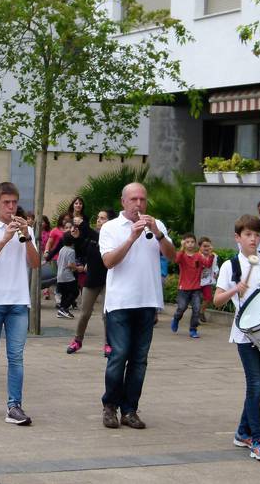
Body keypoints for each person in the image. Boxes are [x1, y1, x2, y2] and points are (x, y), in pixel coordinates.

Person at [99, 182, 175, 430]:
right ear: (123, 202)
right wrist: (132, 236)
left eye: (142, 199)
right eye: (133, 199)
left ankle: (130, 409)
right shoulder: (111, 228)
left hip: (147, 301)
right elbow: (109, 261)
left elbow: (173, 257)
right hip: (120, 302)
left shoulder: (157, 225)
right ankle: (110, 406)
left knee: (139, 359)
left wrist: (158, 233)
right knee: (119, 355)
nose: (138, 204)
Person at [214, 214, 260, 461]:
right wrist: (236, 288)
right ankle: (257, 439)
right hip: (245, 335)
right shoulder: (230, 266)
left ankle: (242, 432)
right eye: (248, 235)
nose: (254, 239)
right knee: (255, 385)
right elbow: (217, 299)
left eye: (257, 234)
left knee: (259, 386)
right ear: (237, 238)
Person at [0, 182, 39, 425]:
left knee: (16, 356)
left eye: (14, 203)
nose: (11, 208)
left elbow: (34, 263)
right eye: (6, 203)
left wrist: (26, 237)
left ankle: (14, 406)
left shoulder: (25, 229)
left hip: (18, 301)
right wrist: (4, 239)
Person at [65, 209, 116, 356]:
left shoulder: (111, 236)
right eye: (98, 218)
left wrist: (84, 226)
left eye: (103, 218)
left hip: (108, 279)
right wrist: (77, 238)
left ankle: (109, 343)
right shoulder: (92, 236)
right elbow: (82, 252)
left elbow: (99, 239)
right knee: (84, 313)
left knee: (107, 314)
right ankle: (77, 340)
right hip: (91, 278)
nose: (99, 220)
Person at [170, 233, 214, 339]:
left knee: (197, 309)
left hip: (196, 289)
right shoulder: (182, 255)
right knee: (181, 308)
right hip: (183, 288)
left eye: (192, 242)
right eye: (187, 242)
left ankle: (193, 329)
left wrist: (211, 253)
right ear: (184, 243)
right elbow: (176, 260)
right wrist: (181, 248)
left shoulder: (198, 256)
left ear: (195, 244)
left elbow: (207, 264)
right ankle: (176, 318)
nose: (190, 244)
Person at [54, 233, 78, 319]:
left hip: (60, 275)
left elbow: (58, 262)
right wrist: (77, 268)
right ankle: (64, 308)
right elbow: (71, 264)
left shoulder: (62, 249)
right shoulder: (71, 251)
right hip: (67, 276)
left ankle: (62, 310)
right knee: (75, 292)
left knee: (65, 294)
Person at [198, 237, 219, 323]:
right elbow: (206, 265)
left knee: (208, 298)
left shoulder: (214, 256)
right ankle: (195, 314)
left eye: (208, 246)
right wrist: (210, 256)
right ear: (200, 247)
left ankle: (201, 312)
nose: (207, 248)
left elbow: (215, 266)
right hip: (197, 281)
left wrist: (216, 272)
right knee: (195, 299)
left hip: (207, 281)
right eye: (204, 246)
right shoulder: (197, 256)